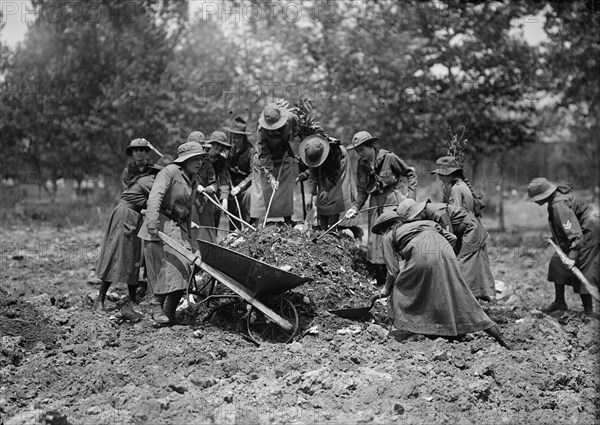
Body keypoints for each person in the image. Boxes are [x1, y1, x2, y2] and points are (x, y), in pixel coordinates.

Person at [370, 211, 510, 348]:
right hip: (446, 251)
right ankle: (494, 332)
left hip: (423, 255)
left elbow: (393, 271)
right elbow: (453, 238)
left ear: (385, 228)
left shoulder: (388, 235)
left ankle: (398, 331)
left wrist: (385, 291)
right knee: (457, 294)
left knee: (400, 288)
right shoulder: (426, 223)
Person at [94, 155, 173, 314]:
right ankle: (99, 300)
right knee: (116, 256)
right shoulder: (150, 182)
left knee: (133, 258)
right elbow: (164, 202)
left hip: (134, 217)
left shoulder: (153, 180)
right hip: (125, 216)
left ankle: (132, 298)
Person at [138, 142, 203, 325]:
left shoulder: (194, 179)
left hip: (179, 227)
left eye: (200, 159)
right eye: (195, 159)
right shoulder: (169, 172)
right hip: (161, 225)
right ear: (185, 160)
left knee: (186, 268)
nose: (199, 163)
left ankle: (169, 313)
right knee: (168, 268)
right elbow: (156, 196)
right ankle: (156, 306)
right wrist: (152, 222)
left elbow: (189, 211)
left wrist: (191, 240)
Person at [344, 131, 417, 285]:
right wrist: (355, 207)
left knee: (392, 237)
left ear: (371, 146)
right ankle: (381, 280)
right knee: (375, 240)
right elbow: (362, 191)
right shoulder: (361, 165)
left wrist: (410, 198)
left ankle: (401, 278)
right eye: (357, 151)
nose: (359, 153)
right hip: (375, 203)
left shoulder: (389, 158)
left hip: (392, 200)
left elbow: (410, 173)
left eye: (362, 150)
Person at [396, 198, 496, 301]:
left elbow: (448, 238)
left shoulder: (438, 214)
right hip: (463, 231)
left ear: (418, 212)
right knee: (472, 263)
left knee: (463, 266)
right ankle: (478, 293)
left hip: (471, 230)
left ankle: (463, 298)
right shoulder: (429, 212)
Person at [526, 177, 600, 317]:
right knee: (556, 262)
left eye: (535, 197)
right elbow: (564, 226)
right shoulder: (554, 200)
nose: (534, 201)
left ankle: (589, 312)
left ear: (544, 195)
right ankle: (560, 302)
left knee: (583, 267)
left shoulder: (558, 205)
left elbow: (575, 234)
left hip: (590, 231)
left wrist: (572, 257)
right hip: (582, 230)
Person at [299, 134, 363, 239]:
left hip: (338, 168)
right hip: (327, 169)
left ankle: (334, 230)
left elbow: (335, 174)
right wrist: (310, 196)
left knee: (335, 196)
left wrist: (327, 190)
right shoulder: (311, 154)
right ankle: (324, 231)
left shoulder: (336, 152)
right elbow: (313, 175)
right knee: (321, 199)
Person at [256, 102, 299, 226]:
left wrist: (294, 133)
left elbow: (296, 124)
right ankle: (262, 222)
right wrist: (270, 175)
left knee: (286, 188)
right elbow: (264, 154)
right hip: (269, 157)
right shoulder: (261, 131)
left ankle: (288, 220)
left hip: (284, 154)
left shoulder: (290, 118)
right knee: (266, 190)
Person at [225, 116, 254, 230]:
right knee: (233, 218)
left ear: (243, 137)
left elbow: (253, 174)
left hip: (246, 188)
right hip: (231, 187)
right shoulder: (229, 150)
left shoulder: (251, 151)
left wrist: (240, 187)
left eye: (238, 138)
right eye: (234, 137)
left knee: (246, 213)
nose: (236, 140)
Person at [203, 131, 232, 228]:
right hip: (198, 192)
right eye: (217, 145)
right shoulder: (199, 157)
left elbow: (224, 179)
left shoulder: (222, 161)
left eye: (221, 146)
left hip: (213, 193)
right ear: (211, 144)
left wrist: (224, 199)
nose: (219, 148)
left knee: (213, 222)